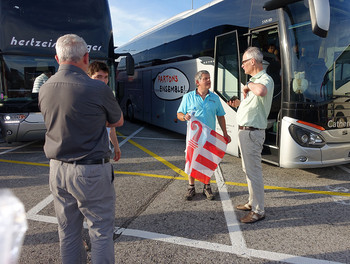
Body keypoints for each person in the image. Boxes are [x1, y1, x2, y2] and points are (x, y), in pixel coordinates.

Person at [38, 34, 123, 263]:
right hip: (91, 171)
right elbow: (117, 121)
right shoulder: (98, 88)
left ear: (57, 58)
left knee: (67, 232)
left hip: (57, 169)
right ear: (86, 57)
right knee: (101, 231)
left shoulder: (45, 88)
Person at [228, 47, 274, 223]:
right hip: (246, 132)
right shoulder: (255, 81)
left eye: (244, 62)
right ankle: (251, 202)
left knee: (253, 172)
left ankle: (258, 211)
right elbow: (254, 103)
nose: (241, 66)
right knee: (248, 170)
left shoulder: (264, 79)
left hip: (252, 133)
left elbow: (261, 91)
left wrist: (248, 86)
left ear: (253, 61)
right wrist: (239, 103)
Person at [177, 70, 231, 201]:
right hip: (194, 138)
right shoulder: (188, 97)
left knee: (208, 161)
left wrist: (225, 133)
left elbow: (220, 116)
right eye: (205, 79)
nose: (209, 81)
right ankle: (191, 187)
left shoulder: (214, 98)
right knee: (192, 160)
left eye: (209, 78)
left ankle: (207, 187)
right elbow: (179, 114)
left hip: (209, 138)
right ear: (197, 82)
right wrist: (185, 116)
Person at [88, 61, 121, 161]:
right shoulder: (84, 97)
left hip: (104, 152)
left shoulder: (106, 96)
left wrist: (116, 146)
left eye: (106, 77)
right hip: (88, 154)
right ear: (89, 76)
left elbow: (111, 127)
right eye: (98, 76)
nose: (103, 81)